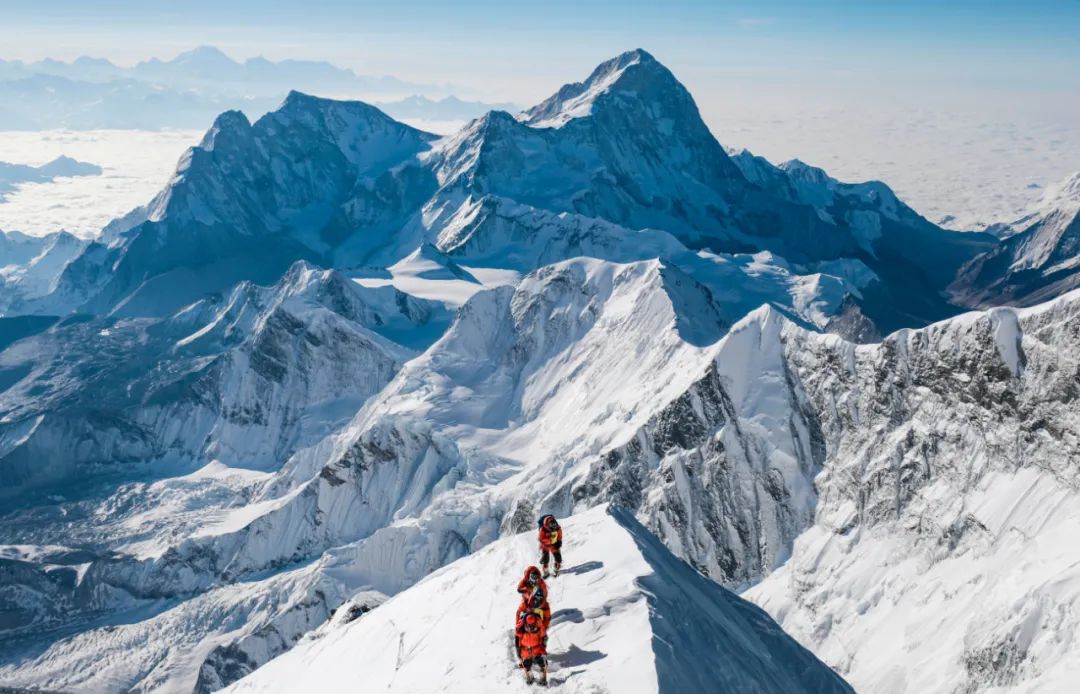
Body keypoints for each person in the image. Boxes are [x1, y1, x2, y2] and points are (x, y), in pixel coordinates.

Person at [518, 612, 548, 685]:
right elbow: (518, 637)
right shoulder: (521, 627)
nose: (531, 627)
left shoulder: (539, 625)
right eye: (529, 625)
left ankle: (542, 678)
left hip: (537, 649)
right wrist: (519, 652)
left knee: (542, 663)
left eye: (533, 625)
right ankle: (530, 677)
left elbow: (544, 637)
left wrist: (543, 649)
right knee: (526, 664)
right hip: (526, 650)